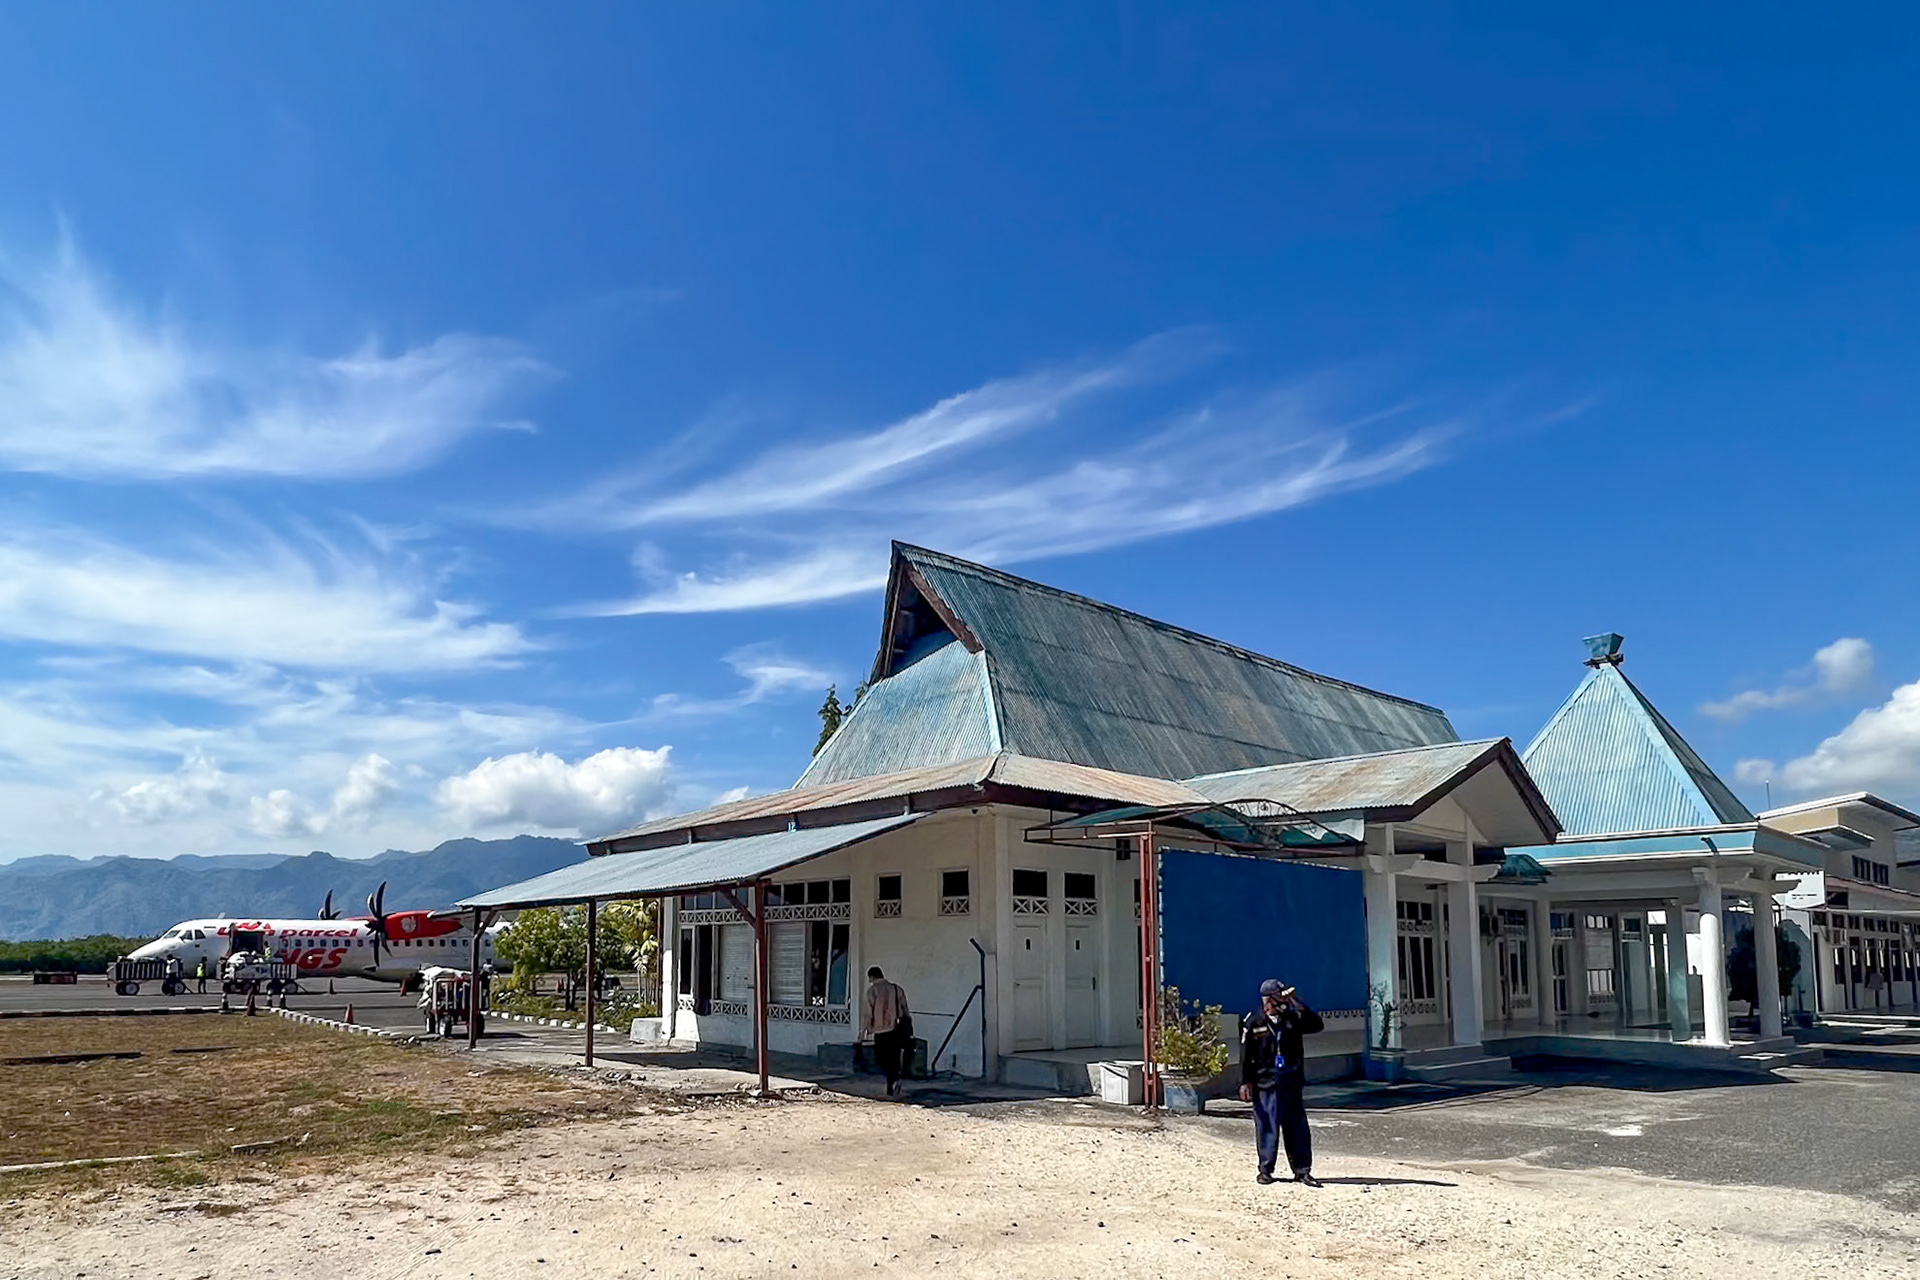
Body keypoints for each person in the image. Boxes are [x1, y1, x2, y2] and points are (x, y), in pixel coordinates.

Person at [1238, 978, 1324, 1186]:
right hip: (1265, 1083)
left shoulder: (1292, 1017)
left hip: (1290, 1081)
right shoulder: (1254, 1021)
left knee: (1296, 1126)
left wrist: (1296, 1001)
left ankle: (1302, 1170)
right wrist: (1245, 1082)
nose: (1279, 1002)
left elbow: (1317, 1025)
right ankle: (1266, 1170)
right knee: (1267, 1126)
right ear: (1267, 1000)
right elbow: (1245, 1055)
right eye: (1276, 997)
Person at [859, 966, 912, 1097]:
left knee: (882, 1059)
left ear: (871, 977)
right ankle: (893, 1081)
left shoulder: (872, 991)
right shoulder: (896, 988)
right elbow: (905, 1009)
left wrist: (863, 1031)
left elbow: (867, 1014)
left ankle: (891, 1082)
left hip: (880, 1031)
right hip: (896, 1029)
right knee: (894, 1058)